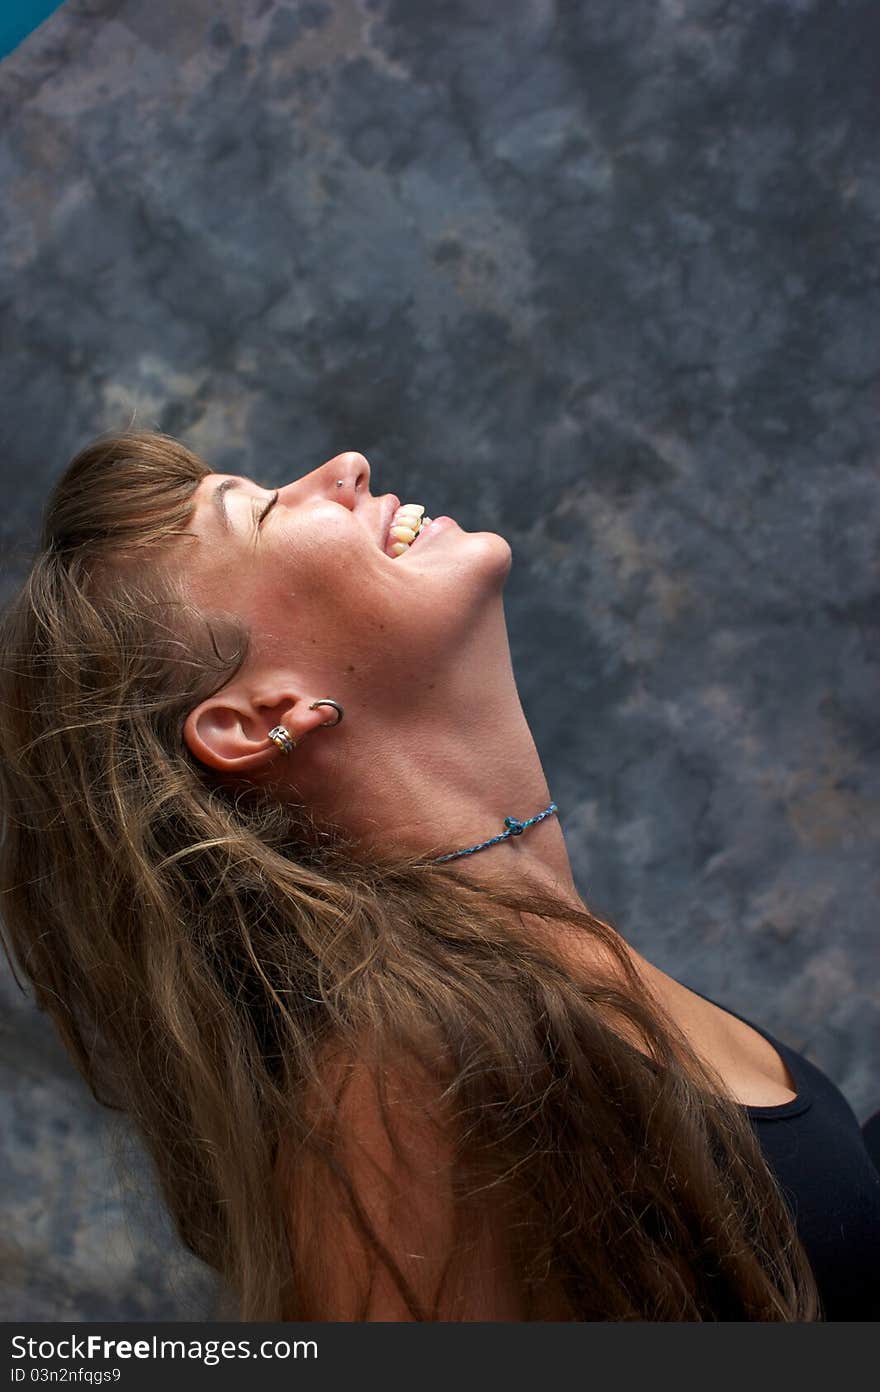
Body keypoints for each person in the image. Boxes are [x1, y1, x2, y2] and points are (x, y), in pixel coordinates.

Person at [0, 429, 876, 1322]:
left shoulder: (539, 951)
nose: (345, 469)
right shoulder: (397, 1079)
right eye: (260, 509)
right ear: (258, 717)